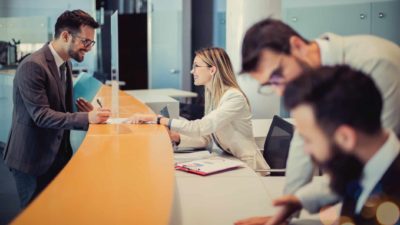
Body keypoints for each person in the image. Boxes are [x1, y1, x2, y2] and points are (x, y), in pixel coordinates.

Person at [236, 18, 400, 224]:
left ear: (297, 46)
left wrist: (302, 200)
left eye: (277, 75)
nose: (280, 90)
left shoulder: (375, 62)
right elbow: (302, 142)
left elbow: (369, 160)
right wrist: (286, 213)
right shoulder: (308, 84)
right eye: (270, 84)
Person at [3, 10, 111, 208]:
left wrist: (84, 111)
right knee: (36, 216)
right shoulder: (33, 66)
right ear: (65, 36)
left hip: (57, 155)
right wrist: (86, 118)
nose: (88, 48)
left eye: (91, 43)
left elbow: (59, 107)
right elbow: (41, 116)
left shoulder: (65, 63)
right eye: (86, 42)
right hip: (32, 159)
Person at [127, 47, 269, 172]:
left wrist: (159, 119)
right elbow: (206, 138)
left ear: (212, 69)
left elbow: (201, 127)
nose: (192, 71)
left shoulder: (233, 97)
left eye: (196, 66)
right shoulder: (212, 93)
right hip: (229, 160)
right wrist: (176, 137)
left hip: (249, 168)